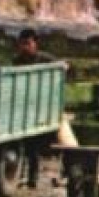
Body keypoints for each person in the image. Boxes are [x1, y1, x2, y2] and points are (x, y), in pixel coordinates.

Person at [13, 28, 58, 188]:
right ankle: (19, 177)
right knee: (20, 146)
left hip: (39, 109)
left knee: (33, 149)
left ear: (35, 44)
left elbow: (63, 69)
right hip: (23, 108)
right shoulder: (16, 62)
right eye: (22, 44)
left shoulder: (46, 60)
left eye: (28, 43)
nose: (25, 47)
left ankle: (33, 179)